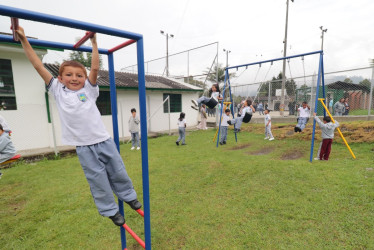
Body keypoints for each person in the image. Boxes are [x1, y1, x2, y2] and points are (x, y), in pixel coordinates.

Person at [16, 26, 141, 227]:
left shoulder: (89, 90)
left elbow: (94, 69)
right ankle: (110, 210)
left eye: (79, 75)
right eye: (69, 75)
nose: (74, 78)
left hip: (103, 140)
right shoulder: (58, 91)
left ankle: (129, 196)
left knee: (117, 170)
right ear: (60, 78)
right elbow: (38, 66)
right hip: (84, 146)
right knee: (97, 179)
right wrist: (24, 40)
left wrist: (94, 44)